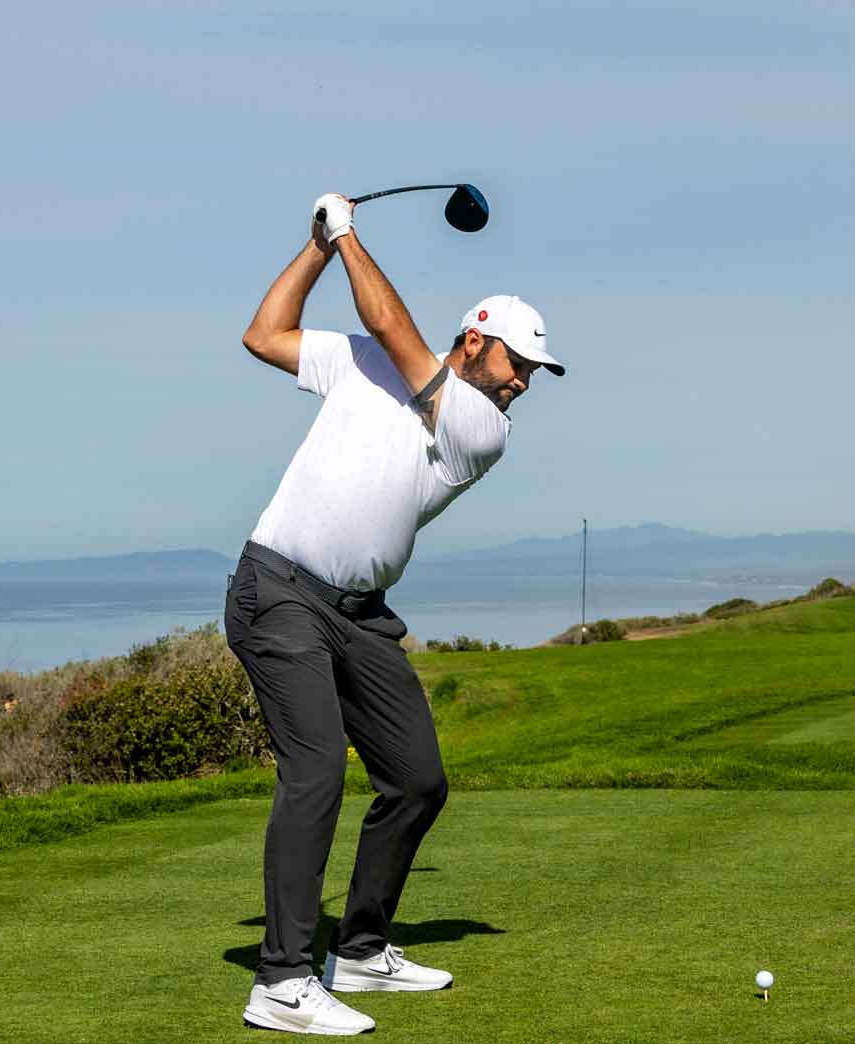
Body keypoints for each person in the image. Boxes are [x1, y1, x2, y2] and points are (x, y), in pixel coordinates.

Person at [225, 193, 565, 1036]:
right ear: (476, 340)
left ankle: (364, 949)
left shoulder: (480, 426)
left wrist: (346, 235)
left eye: (533, 372)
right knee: (315, 773)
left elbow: (393, 332)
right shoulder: (364, 362)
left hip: (360, 615)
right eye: (518, 361)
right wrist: (314, 247)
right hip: (278, 591)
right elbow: (264, 335)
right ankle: (279, 981)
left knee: (416, 781)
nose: (524, 381)